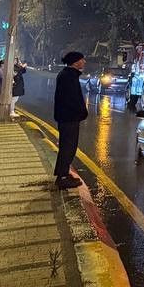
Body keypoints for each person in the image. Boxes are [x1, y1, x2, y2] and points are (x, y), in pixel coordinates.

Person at [53, 51, 89, 189]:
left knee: (68, 147)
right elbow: (71, 99)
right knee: (67, 148)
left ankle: (63, 173)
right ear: (75, 62)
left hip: (68, 117)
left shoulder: (68, 75)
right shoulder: (68, 76)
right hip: (68, 118)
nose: (84, 62)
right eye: (82, 59)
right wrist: (81, 112)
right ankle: (62, 177)